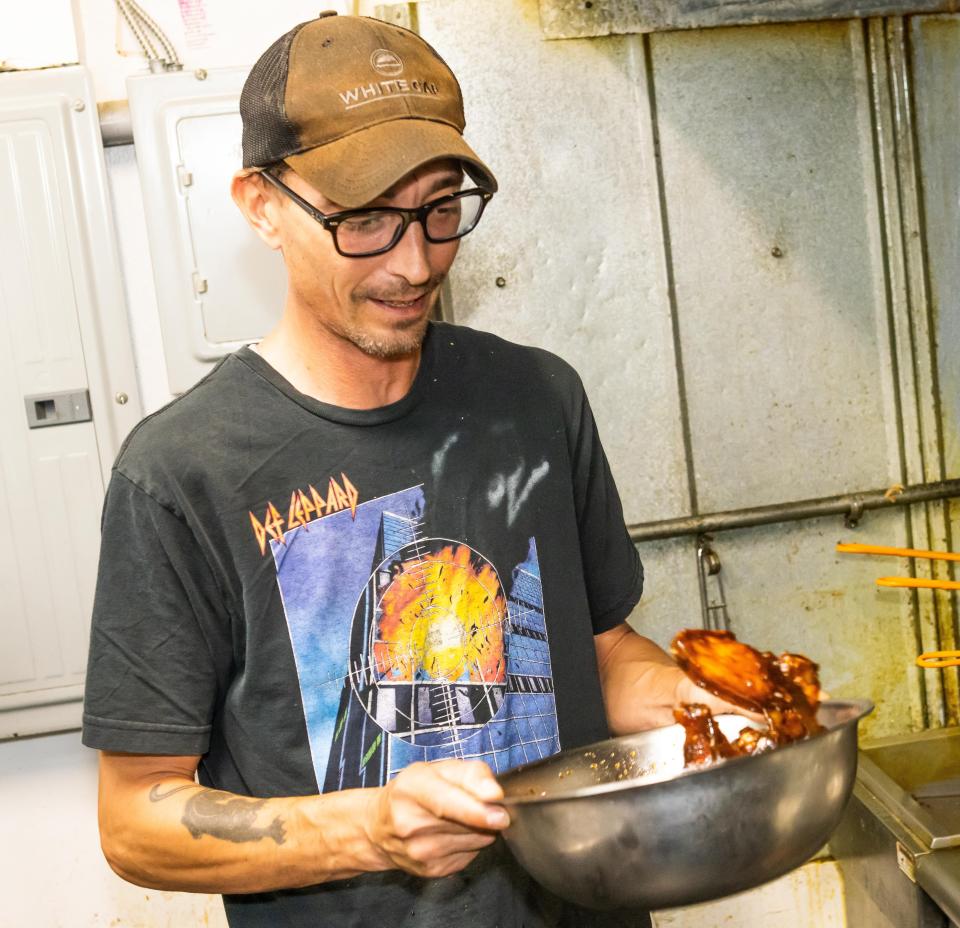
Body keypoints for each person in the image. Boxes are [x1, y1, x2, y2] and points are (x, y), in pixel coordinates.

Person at [83, 13, 739, 928]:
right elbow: (133, 817)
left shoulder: (536, 398)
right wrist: (368, 832)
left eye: (439, 210)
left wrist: (696, 702)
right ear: (261, 204)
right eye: (364, 219)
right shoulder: (181, 473)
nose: (413, 259)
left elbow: (594, 655)